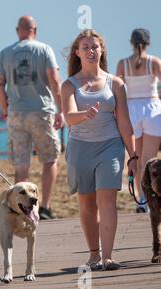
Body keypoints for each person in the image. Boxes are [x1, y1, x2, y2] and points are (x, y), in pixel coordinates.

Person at [61, 29, 137, 270]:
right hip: (80, 148)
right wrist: (85, 114)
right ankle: (94, 254)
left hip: (110, 146)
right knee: (87, 205)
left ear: (102, 50)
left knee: (107, 201)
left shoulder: (115, 83)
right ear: (77, 52)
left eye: (95, 47)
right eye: (85, 47)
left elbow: (124, 122)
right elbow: (69, 118)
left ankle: (107, 256)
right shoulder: (69, 85)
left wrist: (133, 155)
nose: (91, 51)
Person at [0, 16, 64, 220]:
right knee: (50, 159)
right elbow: (55, 80)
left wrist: (4, 108)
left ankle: (23, 209)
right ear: (35, 30)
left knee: (21, 163)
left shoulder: (6, 53)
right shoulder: (45, 50)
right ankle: (45, 207)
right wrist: (60, 111)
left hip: (16, 112)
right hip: (41, 111)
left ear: (18, 30)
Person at [116, 28, 161, 213]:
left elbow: (115, 89)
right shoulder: (154, 62)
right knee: (150, 161)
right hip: (152, 109)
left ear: (131, 42)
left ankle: (141, 200)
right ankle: (151, 199)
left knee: (137, 161)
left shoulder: (123, 63)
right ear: (148, 42)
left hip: (132, 110)